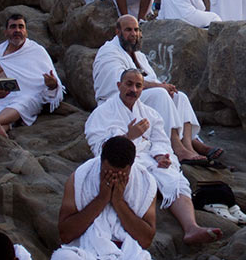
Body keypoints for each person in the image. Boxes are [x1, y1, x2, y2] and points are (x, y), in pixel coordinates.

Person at [85, 69, 222, 247]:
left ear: (142, 90)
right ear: (119, 85)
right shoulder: (102, 113)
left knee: (175, 179)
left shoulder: (150, 113)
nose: (133, 89)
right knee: (136, 177)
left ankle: (191, 228)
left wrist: (160, 157)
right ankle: (124, 232)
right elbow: (99, 149)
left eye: (138, 86)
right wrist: (128, 137)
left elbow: (160, 140)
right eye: (128, 84)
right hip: (123, 162)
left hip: (149, 159)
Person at [48, 135, 166, 260]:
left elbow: (145, 239)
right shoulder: (80, 177)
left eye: (121, 175)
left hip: (126, 258)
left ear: (131, 166)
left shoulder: (145, 182)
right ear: (101, 161)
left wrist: (118, 201)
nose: (113, 178)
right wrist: (102, 199)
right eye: (107, 172)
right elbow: (66, 233)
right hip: (87, 255)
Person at [93, 15, 219, 164]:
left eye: (136, 30)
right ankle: (177, 148)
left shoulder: (139, 55)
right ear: (118, 32)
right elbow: (121, 82)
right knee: (160, 94)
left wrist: (165, 87)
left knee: (180, 97)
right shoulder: (109, 52)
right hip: (118, 99)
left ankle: (190, 144)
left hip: (140, 95)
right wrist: (160, 87)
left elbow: (150, 79)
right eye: (128, 30)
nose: (133, 34)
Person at [0, 14, 64, 138]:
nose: (17, 30)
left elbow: (54, 85)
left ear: (26, 32)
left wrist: (52, 84)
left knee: (22, 103)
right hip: (2, 98)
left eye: (21, 27)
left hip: (29, 96)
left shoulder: (37, 51)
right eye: (13, 27)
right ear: (5, 32)